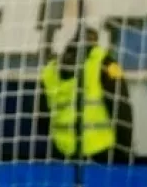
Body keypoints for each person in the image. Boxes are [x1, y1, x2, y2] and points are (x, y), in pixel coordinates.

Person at [38, 27, 128, 162]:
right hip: (101, 149)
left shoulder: (49, 70)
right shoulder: (105, 63)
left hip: (62, 150)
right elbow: (121, 107)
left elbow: (42, 115)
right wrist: (125, 147)